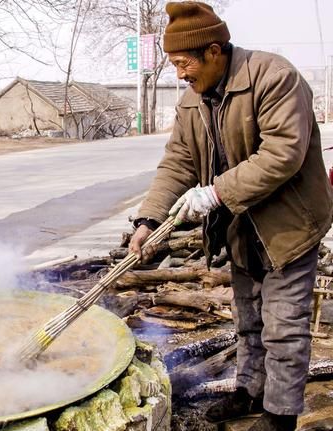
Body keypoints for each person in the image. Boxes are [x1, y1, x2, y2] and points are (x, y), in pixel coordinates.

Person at [128, 2, 333, 430]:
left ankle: (280, 415)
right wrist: (149, 220)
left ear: (215, 52)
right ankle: (250, 389)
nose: (180, 74)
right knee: (249, 318)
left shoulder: (274, 76)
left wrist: (217, 192)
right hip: (240, 227)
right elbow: (178, 163)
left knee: (283, 324)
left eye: (184, 63)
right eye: (174, 64)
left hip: (289, 226)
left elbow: (283, 154)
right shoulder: (193, 100)